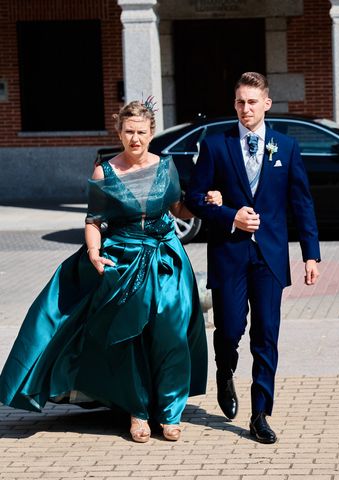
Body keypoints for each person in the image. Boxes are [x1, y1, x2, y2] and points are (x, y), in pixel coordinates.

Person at [0, 100, 221, 443]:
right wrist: (93, 252)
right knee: (128, 337)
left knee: (172, 334)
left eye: (142, 132)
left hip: (167, 260)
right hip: (123, 259)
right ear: (119, 132)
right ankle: (138, 412)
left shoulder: (167, 167)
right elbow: (94, 221)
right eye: (129, 132)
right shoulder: (105, 171)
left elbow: (180, 209)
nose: (135, 138)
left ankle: (170, 411)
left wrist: (208, 202)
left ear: (152, 133)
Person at [185, 72, 321, 444]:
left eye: (252, 101)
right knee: (229, 329)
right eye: (240, 102)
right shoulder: (216, 146)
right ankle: (224, 369)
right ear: (234, 105)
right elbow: (194, 199)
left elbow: (302, 204)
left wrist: (311, 255)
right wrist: (230, 215)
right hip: (229, 255)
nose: (246, 108)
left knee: (267, 335)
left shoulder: (286, 147)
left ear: (266, 104)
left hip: (271, 258)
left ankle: (260, 413)